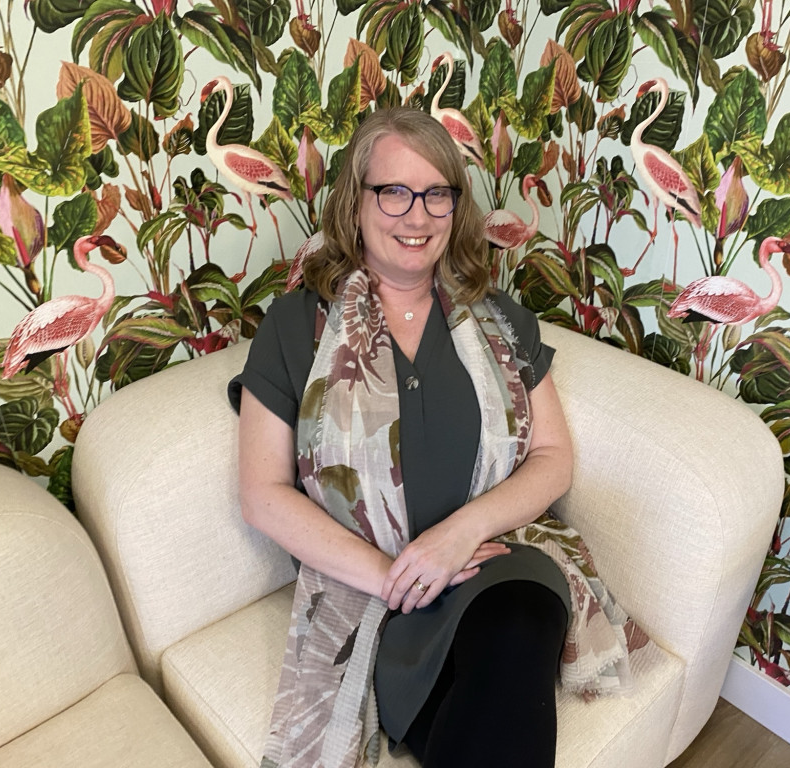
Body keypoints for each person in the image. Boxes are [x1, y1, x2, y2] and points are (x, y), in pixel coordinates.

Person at [229, 107, 631, 768]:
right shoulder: (297, 325)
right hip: (371, 588)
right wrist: (394, 577)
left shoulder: (501, 318)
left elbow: (554, 459)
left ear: (455, 205)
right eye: (393, 191)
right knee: (477, 715)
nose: (416, 216)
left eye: (436, 193)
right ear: (354, 204)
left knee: (521, 625)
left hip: (494, 561)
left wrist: (458, 536)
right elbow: (262, 493)